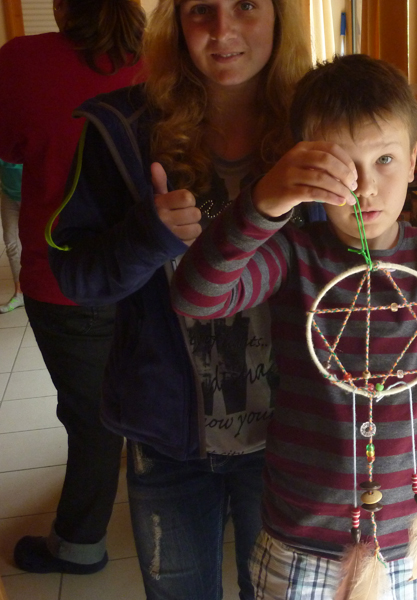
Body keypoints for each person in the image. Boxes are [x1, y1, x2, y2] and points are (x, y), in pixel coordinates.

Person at [171, 54, 417, 600]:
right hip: (302, 546)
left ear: (414, 160)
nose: (366, 188)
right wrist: (263, 203)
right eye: (343, 167)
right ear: (307, 167)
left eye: (385, 159)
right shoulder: (293, 253)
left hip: (415, 546)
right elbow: (194, 297)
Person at [47, 0, 309, 597]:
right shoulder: (121, 130)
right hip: (167, 435)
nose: (223, 29)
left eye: (246, 5)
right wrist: (146, 237)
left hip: (292, 433)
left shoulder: (317, 125)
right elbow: (74, 276)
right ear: (176, 22)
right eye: (201, 10)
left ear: (280, 16)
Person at [0, 0, 144, 574]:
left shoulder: (20, 61)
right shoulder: (163, 59)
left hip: (65, 278)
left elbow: (10, 149)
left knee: (91, 416)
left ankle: (80, 544)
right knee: (158, 390)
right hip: (155, 269)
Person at [0, 159, 23, 313]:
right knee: (11, 242)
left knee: (43, 241)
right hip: (9, 194)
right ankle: (19, 293)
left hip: (35, 192)